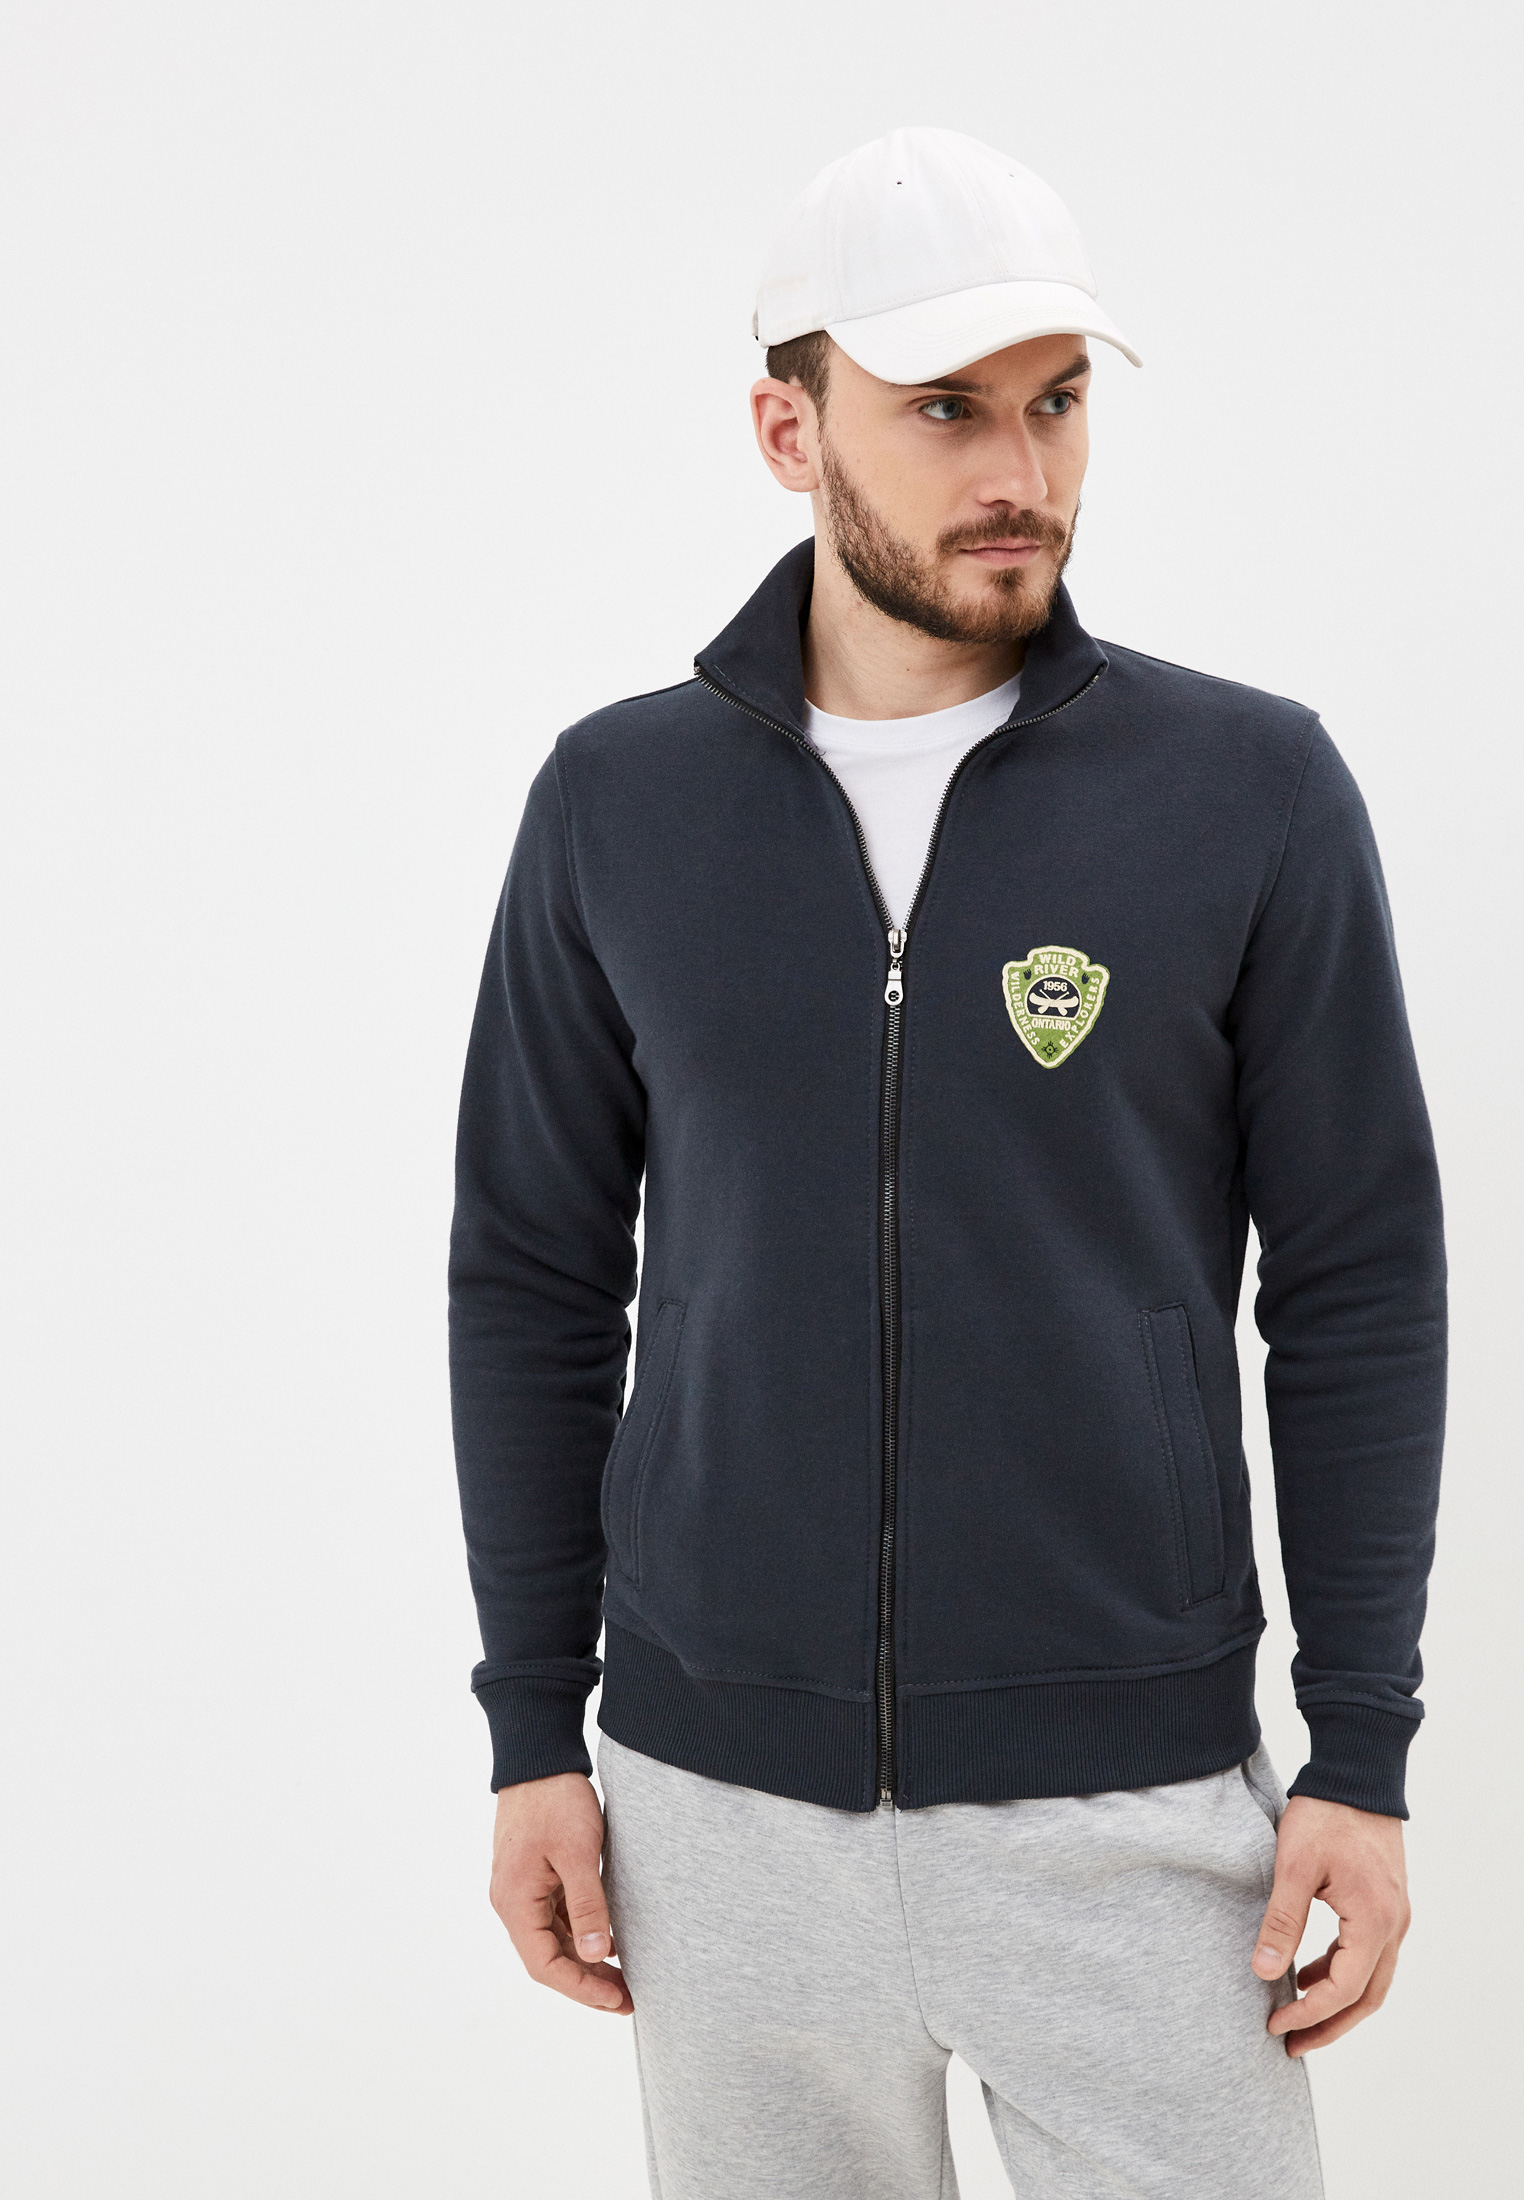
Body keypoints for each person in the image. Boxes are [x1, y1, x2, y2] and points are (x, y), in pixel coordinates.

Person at [448, 127, 1446, 2198]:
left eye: (1057, 401)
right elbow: (534, 1279)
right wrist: (533, 1727)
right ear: (786, 429)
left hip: (1137, 1813)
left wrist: (1361, 1751)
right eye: (945, 410)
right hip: (718, 1816)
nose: (1022, 470)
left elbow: (1358, 1282)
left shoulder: (1246, 789)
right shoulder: (619, 802)